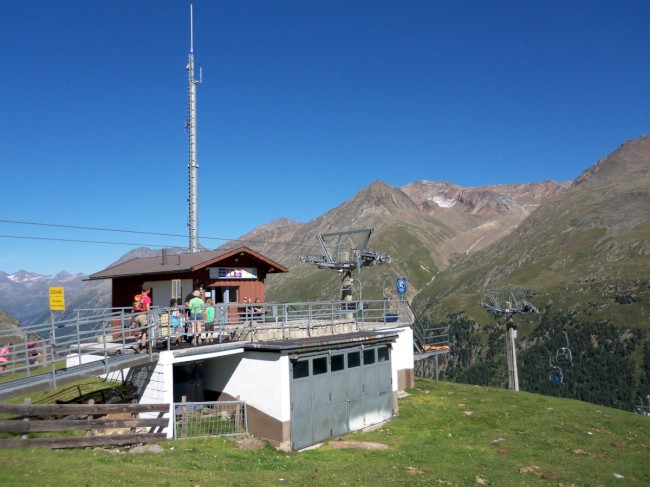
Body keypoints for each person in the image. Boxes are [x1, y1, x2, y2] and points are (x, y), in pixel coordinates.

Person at [133, 287, 152, 353]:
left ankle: (137, 344)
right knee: (144, 332)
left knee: (141, 331)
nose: (150, 291)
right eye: (149, 289)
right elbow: (148, 309)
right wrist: (150, 315)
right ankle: (143, 347)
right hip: (143, 317)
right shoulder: (147, 298)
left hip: (137, 316)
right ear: (147, 290)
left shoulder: (139, 297)